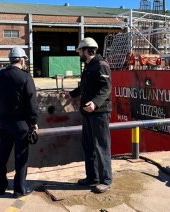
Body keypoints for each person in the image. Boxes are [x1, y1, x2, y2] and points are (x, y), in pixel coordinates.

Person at [65, 37, 113, 193]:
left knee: (101, 146)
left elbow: (106, 88)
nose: (79, 54)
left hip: (99, 113)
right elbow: (85, 86)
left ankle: (106, 180)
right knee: (88, 145)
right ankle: (92, 176)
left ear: (87, 50)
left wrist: (95, 103)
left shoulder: (101, 65)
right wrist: (72, 94)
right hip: (87, 113)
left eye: (80, 51)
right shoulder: (89, 66)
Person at [0, 46, 38, 197]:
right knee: (21, 158)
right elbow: (32, 103)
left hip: (4, 123)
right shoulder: (25, 77)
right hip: (21, 124)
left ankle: (0, 188)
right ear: (22, 60)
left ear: (10, 60)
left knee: (2, 157)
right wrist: (33, 121)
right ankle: (19, 190)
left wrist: (1, 115)